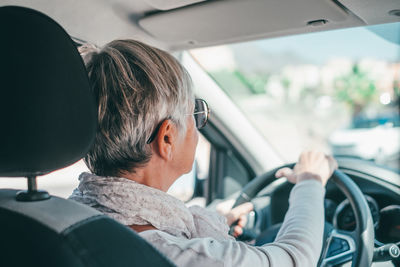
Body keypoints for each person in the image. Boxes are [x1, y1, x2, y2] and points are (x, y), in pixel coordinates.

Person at [69, 39, 338, 266]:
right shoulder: (169, 254)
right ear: (167, 137)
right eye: (194, 114)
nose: (197, 129)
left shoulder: (67, 215)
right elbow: (294, 258)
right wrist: (311, 181)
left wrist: (213, 219)